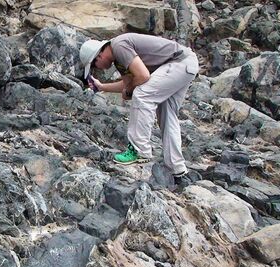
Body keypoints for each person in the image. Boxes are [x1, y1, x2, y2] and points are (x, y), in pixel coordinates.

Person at [79, 33, 199, 181]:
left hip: (179, 62)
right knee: (166, 112)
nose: (98, 69)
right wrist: (102, 87)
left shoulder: (118, 46)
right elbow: (129, 83)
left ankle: (139, 150)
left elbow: (142, 77)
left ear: (99, 56)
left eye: (94, 66)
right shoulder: (118, 58)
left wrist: (130, 91)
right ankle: (177, 168)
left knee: (143, 95)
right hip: (185, 64)